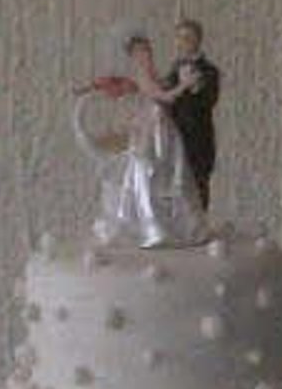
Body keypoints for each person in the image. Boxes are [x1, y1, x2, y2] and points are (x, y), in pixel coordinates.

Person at [73, 32, 209, 248]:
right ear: (134, 56)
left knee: (170, 172)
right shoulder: (143, 76)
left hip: (162, 127)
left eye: (148, 50)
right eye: (142, 52)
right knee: (150, 171)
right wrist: (184, 85)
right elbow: (165, 97)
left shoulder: (151, 74)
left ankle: (176, 224)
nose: (148, 54)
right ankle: (153, 227)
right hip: (153, 130)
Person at [164, 19, 220, 211]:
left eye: (187, 37)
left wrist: (194, 87)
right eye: (179, 38)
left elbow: (209, 100)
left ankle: (199, 221)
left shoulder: (209, 72)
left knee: (198, 183)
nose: (183, 42)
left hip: (198, 137)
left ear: (198, 40)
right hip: (175, 136)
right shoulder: (173, 71)